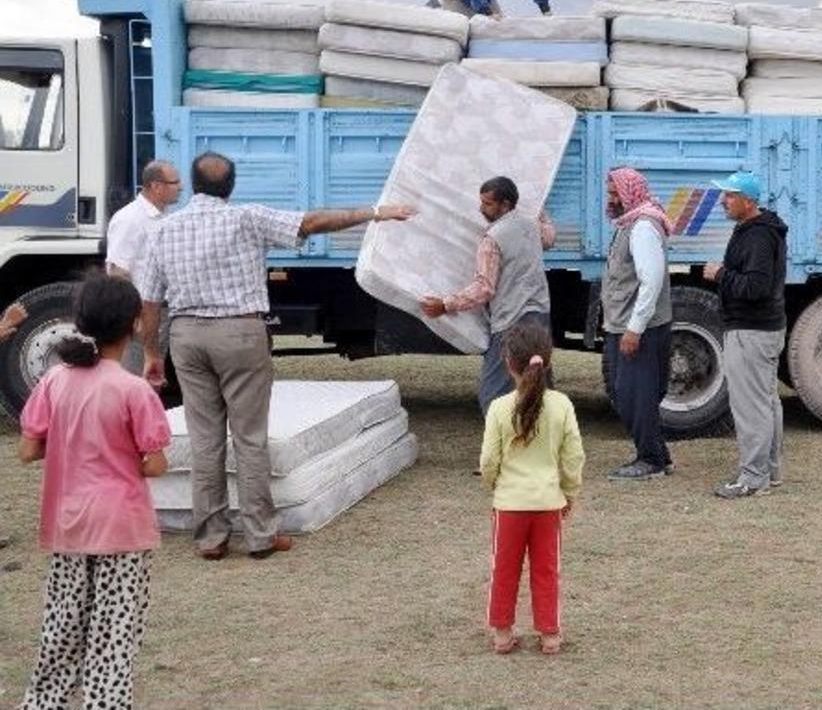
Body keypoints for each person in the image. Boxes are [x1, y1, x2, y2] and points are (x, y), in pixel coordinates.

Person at [135, 152, 415, 561]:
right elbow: (314, 222)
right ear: (230, 187)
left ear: (192, 185)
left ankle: (211, 538)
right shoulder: (247, 217)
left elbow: (149, 299)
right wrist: (376, 212)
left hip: (188, 335)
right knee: (249, 438)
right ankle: (260, 535)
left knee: (205, 439)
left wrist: (150, 352)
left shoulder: (163, 229)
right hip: (240, 333)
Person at [17, 274, 171, 708]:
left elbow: (28, 450)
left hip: (68, 525)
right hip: (122, 529)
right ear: (135, 325)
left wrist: (70, 441)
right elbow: (155, 464)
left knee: (61, 630)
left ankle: (42, 703)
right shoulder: (134, 391)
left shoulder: (53, 381)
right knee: (113, 636)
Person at [479, 321, 584, 655]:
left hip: (509, 504)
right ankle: (550, 634)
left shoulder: (497, 408)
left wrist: (494, 485)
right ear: (548, 360)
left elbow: (488, 460)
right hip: (548, 504)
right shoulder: (562, 405)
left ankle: (501, 634)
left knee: (504, 569)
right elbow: (573, 456)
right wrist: (569, 492)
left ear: (508, 363)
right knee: (547, 570)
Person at [420, 176, 556, 416]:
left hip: (512, 321)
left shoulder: (493, 238)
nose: (481, 209)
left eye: (487, 204)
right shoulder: (530, 226)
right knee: (539, 384)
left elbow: (484, 288)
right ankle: (540, 440)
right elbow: (550, 238)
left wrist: (445, 304)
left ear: (505, 204)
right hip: (539, 317)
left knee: (493, 393)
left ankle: (505, 442)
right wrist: (541, 209)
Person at [703, 171, 789, 499]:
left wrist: (721, 274)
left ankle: (753, 479)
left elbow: (755, 287)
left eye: (730, 195)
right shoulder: (759, 230)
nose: (723, 201)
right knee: (766, 402)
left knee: (751, 407)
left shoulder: (757, 237)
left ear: (748, 201)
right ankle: (770, 471)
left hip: (751, 330)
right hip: (761, 329)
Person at [601, 167, 675, 481]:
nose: (611, 199)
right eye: (610, 193)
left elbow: (651, 280)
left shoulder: (643, 227)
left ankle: (651, 460)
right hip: (624, 324)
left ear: (630, 192)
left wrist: (635, 328)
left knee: (634, 395)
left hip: (637, 328)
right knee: (627, 392)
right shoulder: (630, 222)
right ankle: (657, 455)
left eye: (616, 192)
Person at [106, 160, 182, 279]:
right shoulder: (128, 219)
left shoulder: (166, 216)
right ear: (156, 186)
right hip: (140, 297)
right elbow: (117, 272)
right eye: (175, 183)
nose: (181, 188)